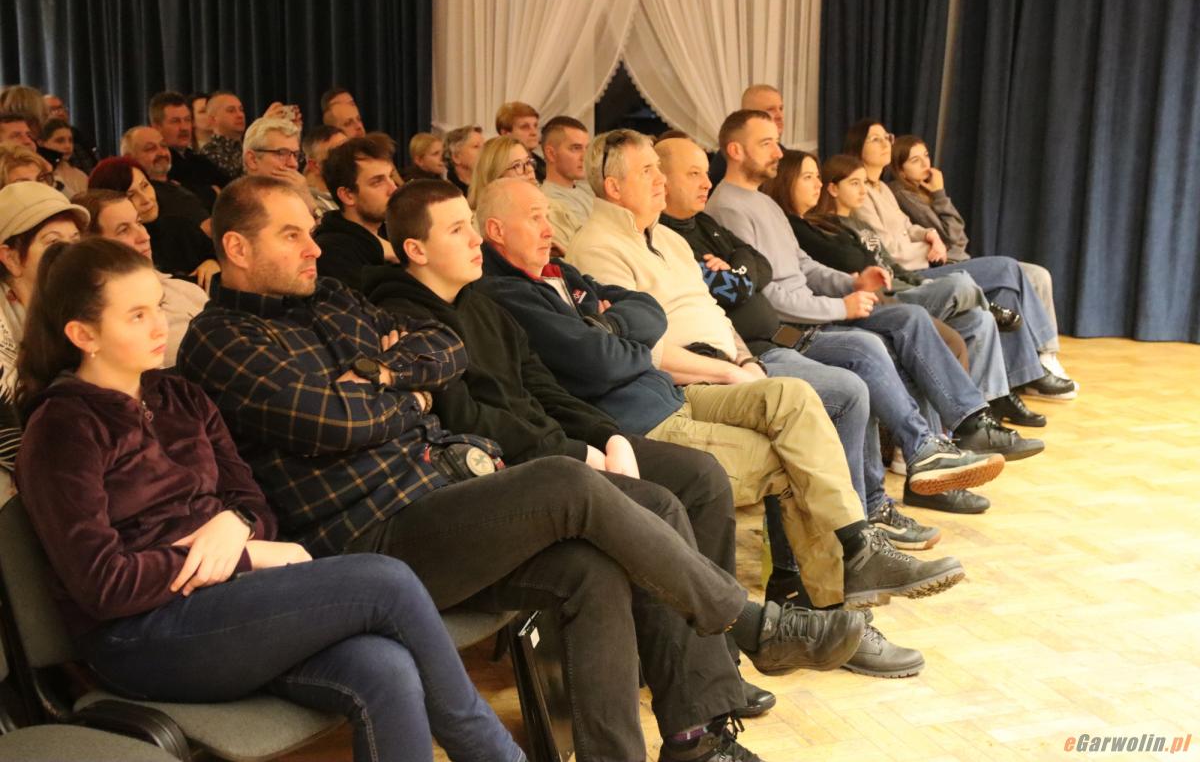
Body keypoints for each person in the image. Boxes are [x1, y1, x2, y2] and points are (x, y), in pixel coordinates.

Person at [177, 174, 868, 762]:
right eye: (291, 235)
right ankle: (745, 621)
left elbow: (441, 348)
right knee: (567, 482)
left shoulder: (331, 298)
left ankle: (678, 740)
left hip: (440, 493)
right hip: (367, 537)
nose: (313, 246)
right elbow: (334, 422)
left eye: (310, 230)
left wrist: (382, 376)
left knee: (593, 567)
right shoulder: (221, 339)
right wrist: (405, 395)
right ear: (236, 248)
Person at [15, 236, 527, 762]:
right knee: (386, 582)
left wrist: (235, 523)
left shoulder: (180, 395)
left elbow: (255, 505)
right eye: (136, 315)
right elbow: (103, 585)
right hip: (140, 635)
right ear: (83, 334)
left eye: (158, 307)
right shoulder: (61, 428)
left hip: (233, 605)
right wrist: (243, 555)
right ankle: (497, 756)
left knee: (384, 668)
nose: (159, 327)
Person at [364, 177, 778, 718]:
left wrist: (606, 436)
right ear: (416, 250)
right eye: (458, 229)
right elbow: (465, 420)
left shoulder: (482, 303)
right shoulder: (406, 323)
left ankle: (715, 658)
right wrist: (578, 452)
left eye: (472, 225)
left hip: (559, 447)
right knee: (657, 505)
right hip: (504, 473)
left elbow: (544, 388)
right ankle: (706, 689)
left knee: (700, 476)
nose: (474, 240)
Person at [566, 129, 969, 608]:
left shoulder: (669, 239)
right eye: (648, 171)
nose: (660, 181)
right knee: (819, 398)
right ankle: (828, 571)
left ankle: (845, 565)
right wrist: (729, 372)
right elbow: (641, 349)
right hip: (684, 380)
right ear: (614, 186)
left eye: (659, 169)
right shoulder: (597, 247)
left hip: (730, 363)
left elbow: (717, 313)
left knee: (810, 398)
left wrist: (744, 360)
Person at [657, 135, 1007, 520]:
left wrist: (850, 283)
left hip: (789, 331)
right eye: (694, 174)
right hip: (772, 339)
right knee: (878, 355)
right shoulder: (716, 212)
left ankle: (932, 447)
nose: (706, 182)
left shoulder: (713, 219)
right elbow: (744, 287)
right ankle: (881, 499)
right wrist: (837, 302)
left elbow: (763, 266)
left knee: (898, 335)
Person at [705, 111, 1043, 464]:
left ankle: (968, 425)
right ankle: (928, 449)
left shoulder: (763, 201)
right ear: (736, 150)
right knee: (892, 339)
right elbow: (767, 296)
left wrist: (852, 281)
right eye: (766, 144)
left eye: (776, 142)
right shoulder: (728, 208)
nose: (778, 151)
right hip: (793, 327)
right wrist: (841, 307)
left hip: (815, 311)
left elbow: (803, 265)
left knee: (912, 318)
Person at [788, 152, 1048, 429]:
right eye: (854, 183)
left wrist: (930, 229)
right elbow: (848, 267)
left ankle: (985, 409)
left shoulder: (855, 224)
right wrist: (919, 253)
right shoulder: (813, 227)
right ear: (833, 188)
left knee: (979, 319)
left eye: (864, 183)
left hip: (907, 281)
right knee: (966, 280)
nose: (863, 190)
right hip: (885, 295)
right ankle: (993, 319)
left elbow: (931, 246)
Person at [844, 119, 1076, 400]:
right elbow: (890, 250)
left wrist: (929, 234)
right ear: (858, 148)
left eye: (887, 137)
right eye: (875, 139)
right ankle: (1043, 356)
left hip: (933, 263)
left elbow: (912, 228)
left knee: (1007, 291)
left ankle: (1021, 378)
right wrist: (931, 245)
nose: (885, 144)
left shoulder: (881, 189)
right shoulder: (865, 194)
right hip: (915, 273)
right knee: (1008, 267)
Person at [0, 181, 86, 508]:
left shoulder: (89, 306)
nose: (70, 253)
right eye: (52, 242)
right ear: (10, 257)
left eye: (75, 240)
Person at [71, 189, 208, 367]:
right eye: (123, 230)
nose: (144, 236)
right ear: (93, 246)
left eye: (139, 223)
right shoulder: (104, 319)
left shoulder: (184, 289)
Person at [87, 157, 219, 290]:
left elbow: (217, 253)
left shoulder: (180, 226)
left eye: (145, 185)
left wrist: (214, 262)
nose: (146, 199)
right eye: (131, 195)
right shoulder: (125, 251)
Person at [314, 135, 401, 291]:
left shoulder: (394, 232)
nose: (393, 188)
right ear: (348, 195)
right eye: (377, 182)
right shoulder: (330, 253)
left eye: (391, 176)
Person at [121, 125, 212, 231]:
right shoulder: (147, 200)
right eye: (150, 148)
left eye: (163, 146)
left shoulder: (179, 183)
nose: (162, 153)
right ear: (129, 158)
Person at [149, 90, 229, 211]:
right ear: (156, 127)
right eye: (175, 121)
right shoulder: (157, 164)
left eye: (187, 120)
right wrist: (212, 192)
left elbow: (229, 190)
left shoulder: (199, 160)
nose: (184, 127)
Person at [539, 115, 595, 249]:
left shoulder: (589, 190)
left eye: (587, 148)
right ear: (551, 154)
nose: (585, 156)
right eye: (575, 148)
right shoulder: (547, 203)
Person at [302, 124, 348, 218]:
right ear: (315, 166)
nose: (348, 158)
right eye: (337, 154)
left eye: (349, 149)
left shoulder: (361, 194)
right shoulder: (308, 206)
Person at [200, 91, 248, 179]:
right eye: (231, 111)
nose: (240, 115)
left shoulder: (246, 146)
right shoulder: (209, 153)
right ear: (213, 119)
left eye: (241, 110)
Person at [496, 101, 545, 182]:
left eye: (535, 126)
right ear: (505, 133)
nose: (534, 132)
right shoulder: (500, 168)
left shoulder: (541, 164)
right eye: (525, 127)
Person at [38, 118, 88, 196]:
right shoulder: (38, 174)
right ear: (41, 143)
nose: (68, 146)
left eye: (70, 140)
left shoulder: (81, 175)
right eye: (60, 141)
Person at [443, 124, 483, 195]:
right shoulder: (445, 194)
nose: (484, 150)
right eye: (476, 146)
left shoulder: (490, 186)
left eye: (484, 146)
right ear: (456, 157)